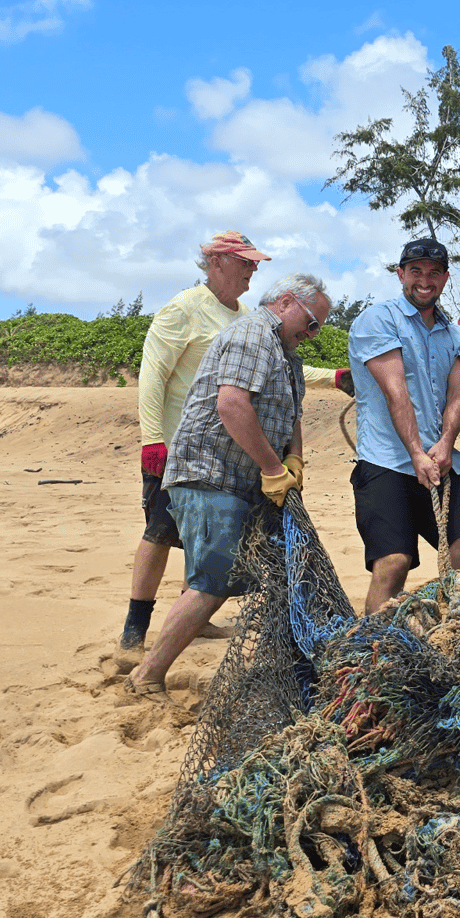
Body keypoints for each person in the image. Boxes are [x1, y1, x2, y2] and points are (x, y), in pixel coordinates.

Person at [121, 231, 344, 662]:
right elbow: (214, 396)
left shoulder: (272, 338)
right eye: (311, 323)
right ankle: (139, 650)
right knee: (180, 550)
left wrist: (292, 455)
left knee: (217, 569)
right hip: (202, 464)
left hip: (241, 471)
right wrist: (152, 439)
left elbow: (287, 400)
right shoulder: (227, 324)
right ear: (285, 304)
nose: (314, 333)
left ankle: (191, 622)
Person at [348, 238, 460, 615]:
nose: (425, 280)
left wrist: (444, 444)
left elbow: (459, 394)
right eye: (416, 272)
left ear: (444, 278)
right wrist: (416, 453)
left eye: (434, 273)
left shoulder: (454, 333)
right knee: (393, 562)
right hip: (388, 461)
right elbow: (396, 391)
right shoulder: (378, 319)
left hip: (443, 461)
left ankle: (450, 628)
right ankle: (374, 653)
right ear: (401, 275)